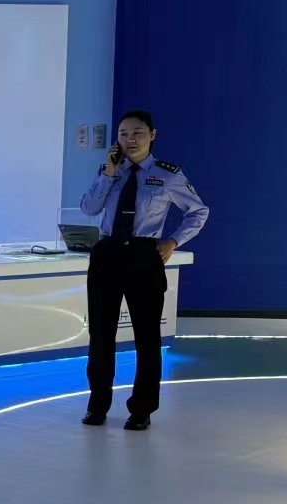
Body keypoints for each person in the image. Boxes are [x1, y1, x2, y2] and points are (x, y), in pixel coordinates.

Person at [78, 110, 208, 430]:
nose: (130, 139)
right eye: (123, 134)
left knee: (147, 337)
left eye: (137, 133)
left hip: (143, 256)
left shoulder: (168, 174)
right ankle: (97, 405)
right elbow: (89, 208)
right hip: (107, 254)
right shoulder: (109, 171)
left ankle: (142, 409)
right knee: (101, 335)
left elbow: (198, 211)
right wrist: (109, 174)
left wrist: (173, 241)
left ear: (152, 135)